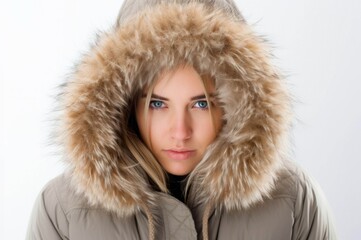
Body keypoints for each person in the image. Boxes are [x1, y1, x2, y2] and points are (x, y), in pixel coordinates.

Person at [26, 0, 337, 239]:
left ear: (236, 102)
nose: (180, 131)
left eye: (201, 103)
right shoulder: (62, 210)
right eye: (158, 104)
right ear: (125, 102)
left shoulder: (294, 200)